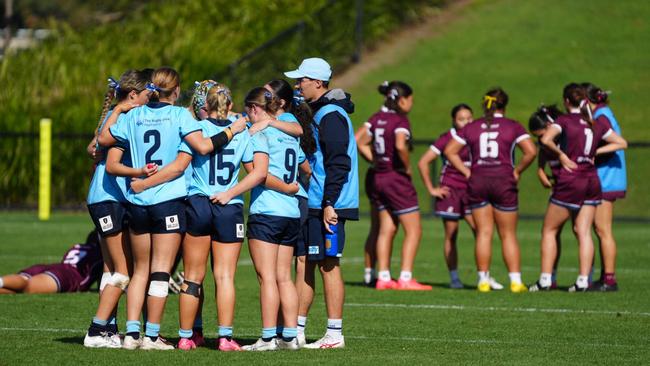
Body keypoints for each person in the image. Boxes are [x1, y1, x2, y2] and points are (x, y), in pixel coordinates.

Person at [97, 66, 247, 350]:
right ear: (176, 91)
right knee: (160, 273)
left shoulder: (135, 114)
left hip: (138, 202)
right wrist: (233, 128)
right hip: (168, 202)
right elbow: (199, 150)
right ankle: (152, 336)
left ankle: (132, 334)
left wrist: (138, 177)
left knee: (139, 270)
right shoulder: (180, 116)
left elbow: (104, 145)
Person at [284, 57, 359, 349]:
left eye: (302, 80)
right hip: (315, 199)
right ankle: (298, 330)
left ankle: (334, 333)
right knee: (307, 264)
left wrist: (330, 202)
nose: (297, 85)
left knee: (329, 265)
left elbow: (338, 162)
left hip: (330, 203)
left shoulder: (330, 115)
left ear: (317, 82)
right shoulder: (317, 111)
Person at [218, 87, 300, 351]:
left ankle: (267, 338)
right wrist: (290, 188)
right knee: (284, 277)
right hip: (291, 213)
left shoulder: (260, 133)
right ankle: (290, 337)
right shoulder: (288, 132)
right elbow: (302, 165)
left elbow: (260, 174)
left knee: (267, 278)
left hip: (267, 211)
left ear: (255, 109)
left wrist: (229, 192)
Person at [83, 69, 153, 348]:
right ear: (134, 95)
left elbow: (94, 145)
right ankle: (96, 330)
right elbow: (101, 142)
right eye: (149, 95)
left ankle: (109, 329)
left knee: (112, 269)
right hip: (106, 198)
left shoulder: (124, 115)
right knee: (123, 272)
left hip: (115, 199)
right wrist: (122, 107)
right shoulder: (123, 114)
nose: (151, 100)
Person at [444, 87, 537, 293]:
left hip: (478, 180)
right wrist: (518, 170)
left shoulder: (473, 126)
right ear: (504, 105)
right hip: (503, 180)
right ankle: (515, 281)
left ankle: (483, 281)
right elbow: (531, 151)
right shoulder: (512, 126)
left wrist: (467, 172)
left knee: (484, 233)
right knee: (508, 234)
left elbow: (450, 151)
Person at [536, 83, 627, 292]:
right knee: (584, 231)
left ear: (567, 101)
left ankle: (545, 280)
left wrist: (561, 156)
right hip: (592, 180)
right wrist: (594, 154)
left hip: (572, 179)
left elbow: (546, 139)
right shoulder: (594, 122)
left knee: (549, 230)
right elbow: (622, 143)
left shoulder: (565, 120)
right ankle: (583, 281)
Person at [357, 81, 430, 291]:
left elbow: (358, 140)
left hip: (378, 177)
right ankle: (406, 278)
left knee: (386, 228)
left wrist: (376, 161)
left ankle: (383, 277)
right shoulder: (400, 120)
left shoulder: (377, 118)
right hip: (395, 178)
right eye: (411, 100)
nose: (412, 104)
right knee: (414, 229)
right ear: (402, 100)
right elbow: (399, 144)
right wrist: (406, 167)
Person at [417, 103, 479, 289]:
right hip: (451, 191)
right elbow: (423, 162)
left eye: (469, 118)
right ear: (454, 120)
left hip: (472, 190)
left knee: (480, 231)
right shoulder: (447, 138)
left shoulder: (476, 136)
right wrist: (432, 189)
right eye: (461, 119)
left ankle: (484, 276)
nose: (466, 122)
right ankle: (454, 278)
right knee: (451, 234)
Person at [584, 83, 627, 292]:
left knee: (603, 230)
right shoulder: (603, 112)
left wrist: (593, 154)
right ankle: (604, 277)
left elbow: (619, 143)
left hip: (606, 178)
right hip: (607, 176)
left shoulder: (601, 116)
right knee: (600, 229)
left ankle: (609, 279)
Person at [527, 105, 565, 291]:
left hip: (570, 186)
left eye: (541, 134)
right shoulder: (547, 142)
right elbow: (543, 153)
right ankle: (552, 277)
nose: (540, 139)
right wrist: (541, 170)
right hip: (562, 186)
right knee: (557, 232)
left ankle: (547, 279)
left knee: (574, 231)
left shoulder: (567, 135)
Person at [0, 230, 103, 295]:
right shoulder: (100, 254)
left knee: (20, 287)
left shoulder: (77, 247)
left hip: (53, 267)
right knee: (28, 286)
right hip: (67, 276)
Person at [355, 124, 378, 287]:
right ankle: (382, 274)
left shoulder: (379, 118)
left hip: (379, 176)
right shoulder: (382, 118)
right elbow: (358, 140)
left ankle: (374, 273)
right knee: (383, 228)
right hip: (387, 176)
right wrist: (377, 161)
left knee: (381, 228)